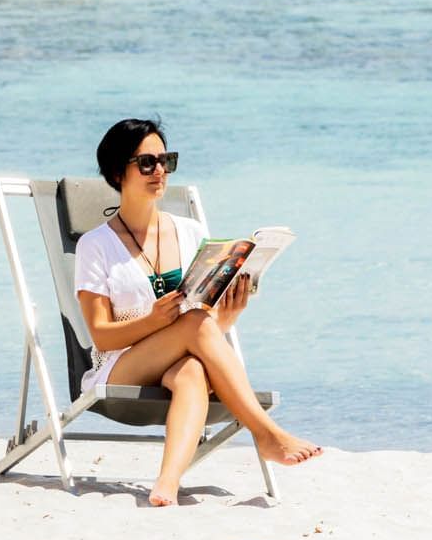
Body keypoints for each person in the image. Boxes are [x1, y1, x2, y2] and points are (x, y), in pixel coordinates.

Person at [74, 118, 322, 506]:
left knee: (191, 371)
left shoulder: (189, 232)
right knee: (191, 325)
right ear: (118, 171)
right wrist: (156, 320)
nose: (160, 171)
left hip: (184, 351)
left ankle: (167, 484)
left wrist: (230, 314)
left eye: (166, 161)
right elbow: (101, 334)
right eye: (147, 163)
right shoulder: (96, 245)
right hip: (120, 363)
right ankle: (266, 433)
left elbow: (205, 324)